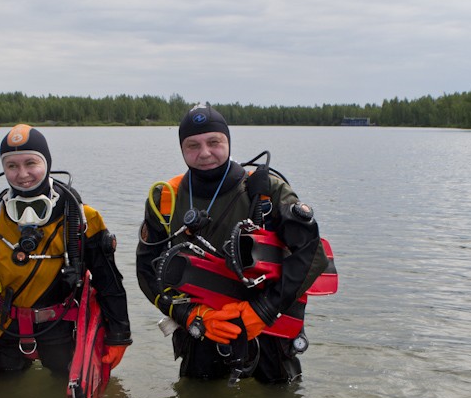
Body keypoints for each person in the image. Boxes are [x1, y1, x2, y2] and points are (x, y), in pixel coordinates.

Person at [136, 103, 328, 383]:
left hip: (268, 327)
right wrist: (189, 315)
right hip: (202, 329)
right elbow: (146, 272)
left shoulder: (267, 191)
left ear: (228, 141)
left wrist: (263, 310)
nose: (204, 153)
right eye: (193, 145)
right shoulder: (165, 198)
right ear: (181, 149)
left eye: (214, 142)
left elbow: (313, 254)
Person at [0, 124, 131, 391]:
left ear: (47, 163)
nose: (22, 174)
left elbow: (109, 281)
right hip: (5, 326)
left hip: (62, 328)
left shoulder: (83, 218)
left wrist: (118, 336)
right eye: (11, 165)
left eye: (31, 163)